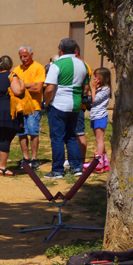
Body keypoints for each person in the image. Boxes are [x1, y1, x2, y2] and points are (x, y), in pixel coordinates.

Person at [43, 38, 88, 179]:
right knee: (71, 137)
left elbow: (50, 89)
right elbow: (85, 87)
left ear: (60, 49)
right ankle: (76, 168)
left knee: (57, 138)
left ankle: (57, 170)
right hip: (75, 105)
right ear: (75, 50)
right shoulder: (82, 64)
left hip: (59, 104)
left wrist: (46, 103)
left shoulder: (57, 65)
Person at [9, 46, 47, 170]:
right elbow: (12, 89)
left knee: (33, 132)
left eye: (25, 56)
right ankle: (25, 158)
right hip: (20, 107)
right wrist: (29, 85)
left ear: (31, 55)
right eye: (20, 56)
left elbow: (38, 88)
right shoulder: (17, 69)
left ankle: (34, 158)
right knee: (22, 132)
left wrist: (22, 86)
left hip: (33, 107)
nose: (23, 59)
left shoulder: (38, 67)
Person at [90, 67, 113, 172]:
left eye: (96, 76)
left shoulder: (106, 89)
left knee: (100, 139)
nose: (94, 78)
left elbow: (94, 100)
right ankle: (105, 161)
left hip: (100, 116)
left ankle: (98, 162)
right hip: (94, 115)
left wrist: (93, 88)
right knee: (98, 139)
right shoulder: (100, 88)